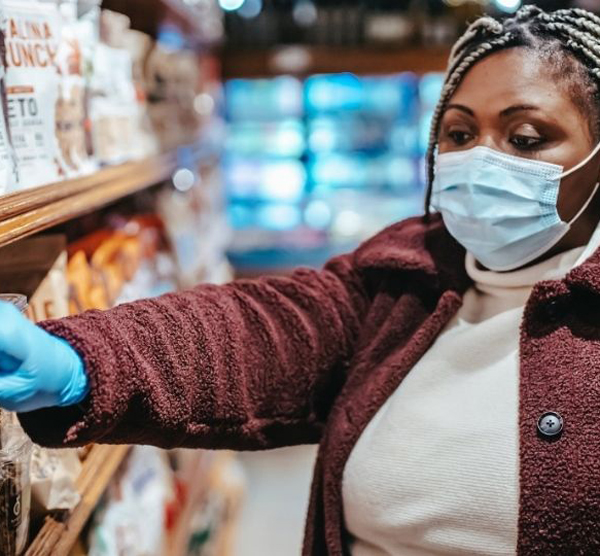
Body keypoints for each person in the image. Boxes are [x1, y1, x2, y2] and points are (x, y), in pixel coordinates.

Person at [2, 5, 600, 555]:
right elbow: (263, 331)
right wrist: (82, 359)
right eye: (460, 135)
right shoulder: (404, 277)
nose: (480, 159)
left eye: (525, 139)